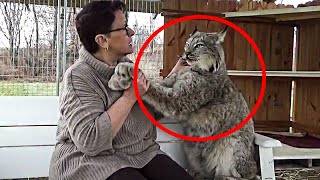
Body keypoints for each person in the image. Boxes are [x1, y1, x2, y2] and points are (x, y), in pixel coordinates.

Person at [48, 1, 193, 180]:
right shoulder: (79, 77)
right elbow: (91, 142)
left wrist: (175, 76)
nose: (131, 32)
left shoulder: (126, 66)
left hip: (139, 154)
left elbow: (150, 111)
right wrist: (128, 98)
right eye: (124, 28)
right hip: (90, 161)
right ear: (102, 40)